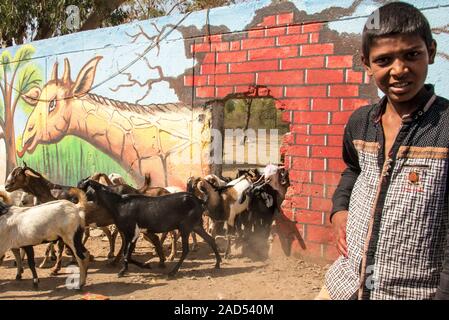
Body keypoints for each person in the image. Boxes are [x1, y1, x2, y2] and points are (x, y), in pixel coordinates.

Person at [323, 2, 449, 300]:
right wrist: (340, 209)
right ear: (366, 63)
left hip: (414, 292)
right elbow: (353, 169)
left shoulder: (444, 127)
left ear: (430, 51)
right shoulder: (360, 122)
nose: (399, 70)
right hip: (346, 282)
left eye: (411, 55)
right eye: (384, 60)